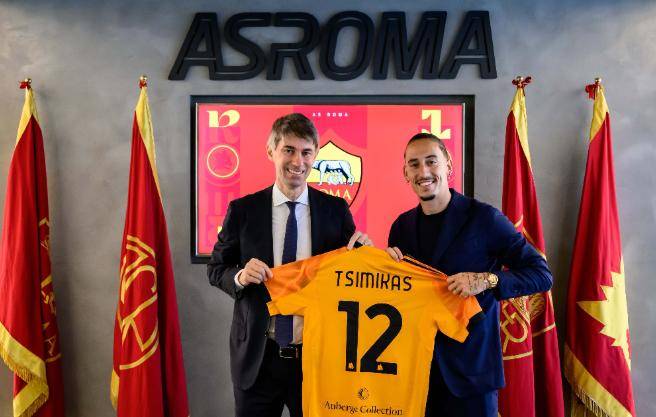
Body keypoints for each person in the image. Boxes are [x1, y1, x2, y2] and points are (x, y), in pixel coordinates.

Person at [207, 113, 371, 417]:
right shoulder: (243, 210)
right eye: (289, 150)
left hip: (316, 358)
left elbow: (351, 273)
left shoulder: (336, 211)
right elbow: (217, 269)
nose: (298, 161)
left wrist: (366, 257)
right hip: (257, 358)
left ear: (316, 154)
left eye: (306, 152)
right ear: (271, 151)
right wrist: (240, 276)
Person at [386, 132, 553, 417]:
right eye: (414, 164)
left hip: (473, 375)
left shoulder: (485, 218)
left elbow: (541, 274)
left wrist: (487, 280)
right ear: (405, 173)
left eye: (431, 161)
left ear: (448, 165)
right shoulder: (401, 227)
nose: (423, 171)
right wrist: (387, 268)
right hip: (417, 375)